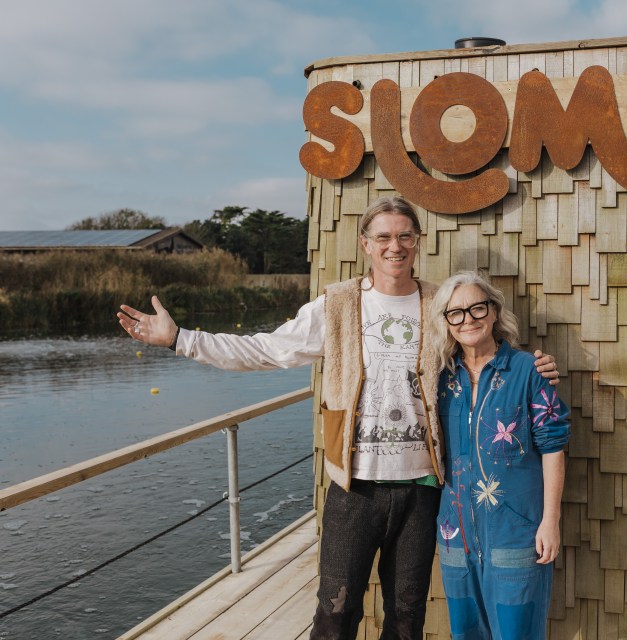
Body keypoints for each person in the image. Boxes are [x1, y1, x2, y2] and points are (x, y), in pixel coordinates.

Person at [116, 196, 558, 640]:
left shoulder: (437, 304)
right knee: (335, 614)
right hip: (355, 489)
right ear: (366, 243)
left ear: (418, 242)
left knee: (406, 619)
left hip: (422, 489)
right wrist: (180, 339)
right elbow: (265, 349)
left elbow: (479, 345)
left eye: (405, 235)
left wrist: (533, 366)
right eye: (383, 237)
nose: (395, 246)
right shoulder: (338, 305)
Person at [429, 271, 569, 640]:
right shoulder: (440, 378)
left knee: (516, 632)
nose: (468, 319)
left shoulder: (529, 371)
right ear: (446, 323)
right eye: (455, 312)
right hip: (455, 532)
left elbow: (553, 447)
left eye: (477, 308)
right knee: (467, 632)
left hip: (517, 530)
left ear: (493, 312)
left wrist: (550, 520)